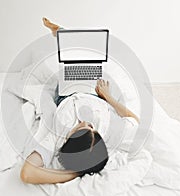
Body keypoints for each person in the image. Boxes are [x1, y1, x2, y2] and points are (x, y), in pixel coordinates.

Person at [20, 18, 139, 184]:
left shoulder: (56, 136)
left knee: (71, 60)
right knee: (90, 56)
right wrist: (108, 97)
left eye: (81, 130)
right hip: (97, 94)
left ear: (68, 142)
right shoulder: (111, 132)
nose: (86, 123)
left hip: (67, 95)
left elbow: (27, 173)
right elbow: (135, 120)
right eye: (93, 129)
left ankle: (61, 34)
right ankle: (62, 33)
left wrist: (74, 173)